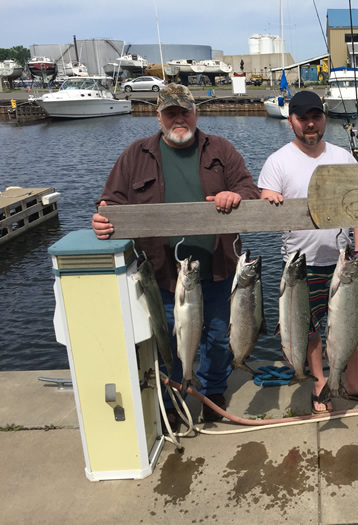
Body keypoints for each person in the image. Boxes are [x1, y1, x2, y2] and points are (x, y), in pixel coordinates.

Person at [91, 84, 260, 424]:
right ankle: (174, 399)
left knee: (216, 337)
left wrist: (234, 195)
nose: (179, 118)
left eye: (185, 111)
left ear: (196, 113)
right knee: (167, 338)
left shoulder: (221, 149)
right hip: (164, 273)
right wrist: (103, 219)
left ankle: (213, 393)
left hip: (217, 268)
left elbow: (249, 189)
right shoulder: (135, 155)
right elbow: (111, 202)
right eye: (171, 113)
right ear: (159, 117)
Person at [259, 90, 358, 413]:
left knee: (350, 324)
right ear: (292, 123)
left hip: (343, 261)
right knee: (309, 327)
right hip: (301, 265)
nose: (310, 124)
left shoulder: (343, 157)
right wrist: (269, 200)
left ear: (324, 119)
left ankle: (351, 381)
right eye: (303, 119)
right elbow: (266, 197)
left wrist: (356, 252)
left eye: (316, 117)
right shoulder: (278, 161)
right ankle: (319, 382)